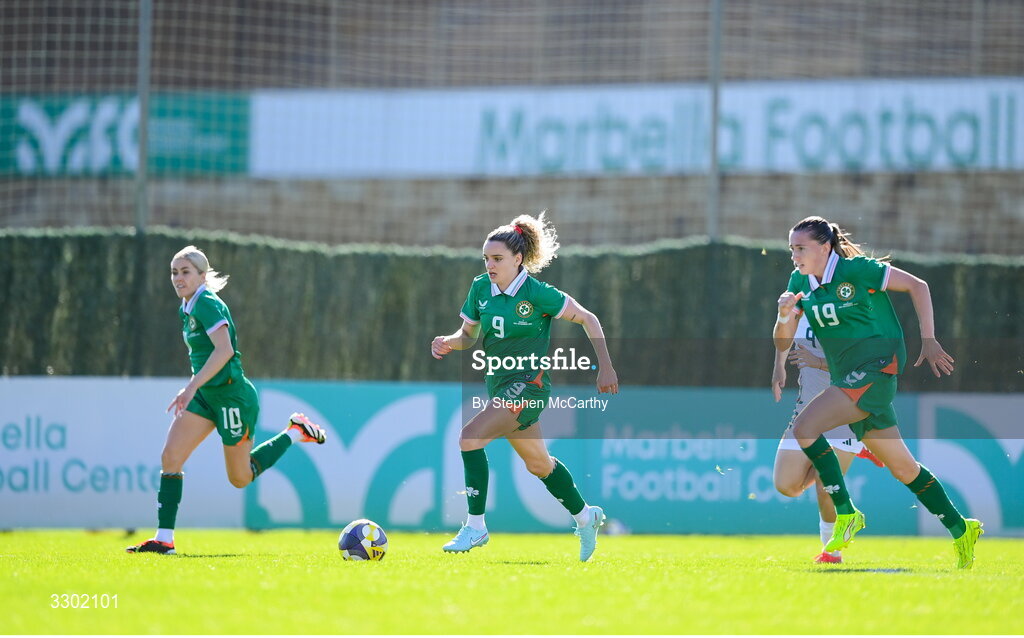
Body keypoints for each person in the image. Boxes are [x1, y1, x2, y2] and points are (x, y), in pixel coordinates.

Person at [774, 216, 982, 568]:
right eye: (791, 248)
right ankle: (962, 528)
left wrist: (928, 340)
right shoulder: (799, 282)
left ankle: (846, 513)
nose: (794, 255)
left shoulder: (858, 270)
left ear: (824, 247)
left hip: (877, 371)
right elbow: (782, 340)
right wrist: (783, 316)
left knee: (805, 428)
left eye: (801, 248)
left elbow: (919, 286)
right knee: (904, 469)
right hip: (850, 379)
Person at [431, 213, 619, 562]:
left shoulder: (538, 294)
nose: (490, 264)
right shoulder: (479, 289)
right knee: (539, 465)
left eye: (497, 258)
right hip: (500, 386)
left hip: (528, 387)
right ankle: (586, 517)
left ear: (518, 259)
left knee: (469, 437)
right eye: (486, 258)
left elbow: (588, 318)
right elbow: (468, 337)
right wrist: (447, 341)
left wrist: (605, 366)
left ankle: (476, 526)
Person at [126, 246, 327, 555]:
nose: (178, 278)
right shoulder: (187, 306)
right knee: (171, 458)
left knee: (240, 477)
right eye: (174, 272)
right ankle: (164, 539)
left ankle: (295, 432)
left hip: (233, 397)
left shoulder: (206, 303)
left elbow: (225, 351)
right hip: (208, 396)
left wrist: (190, 387)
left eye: (185, 272)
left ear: (202, 276)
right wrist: (196, 389)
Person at [772, 312, 883, 564]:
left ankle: (831, 553)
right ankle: (854, 451)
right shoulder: (800, 299)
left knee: (825, 487)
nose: (799, 269)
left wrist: (818, 361)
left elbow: (865, 365)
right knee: (786, 485)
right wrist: (778, 362)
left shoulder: (850, 306)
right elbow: (782, 339)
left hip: (842, 411)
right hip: (805, 412)